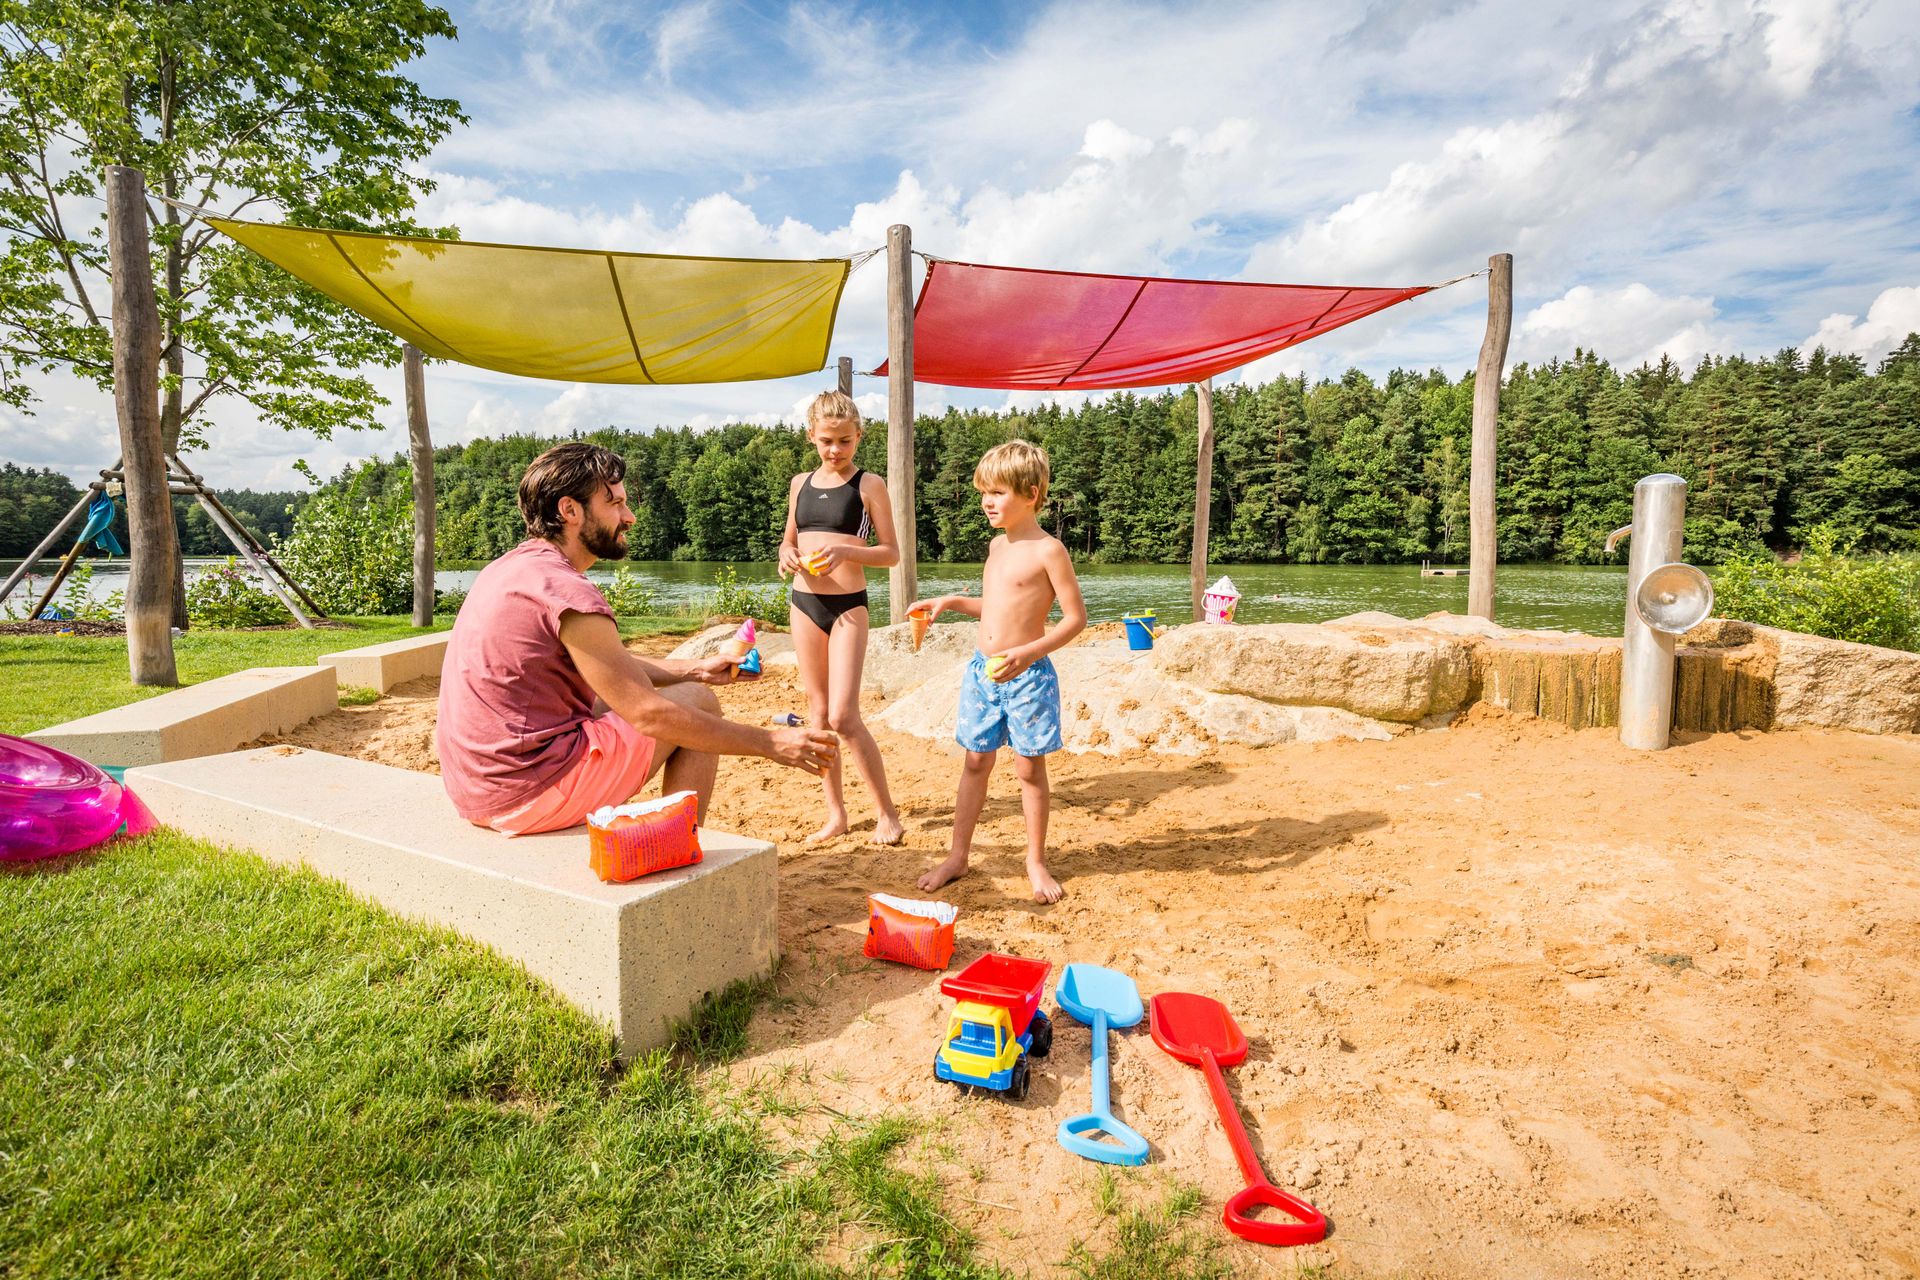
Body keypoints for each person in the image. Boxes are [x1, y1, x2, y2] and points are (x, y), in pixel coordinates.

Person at [437, 442, 838, 835]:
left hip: (474, 788)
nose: (628, 517)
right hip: (527, 794)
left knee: (653, 691)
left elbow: (611, 670)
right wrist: (772, 742)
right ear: (569, 510)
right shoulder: (567, 592)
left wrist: (697, 667)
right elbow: (648, 714)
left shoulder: (512, 569)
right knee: (696, 704)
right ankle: (676, 845)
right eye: (614, 504)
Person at [906, 440, 1086, 902]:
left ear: (1030, 493)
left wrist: (1028, 653)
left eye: (998, 492)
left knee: (1029, 770)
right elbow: (995, 608)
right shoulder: (995, 545)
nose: (987, 501)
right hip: (983, 674)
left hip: (1028, 676)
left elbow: (1074, 619)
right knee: (974, 763)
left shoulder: (1050, 550)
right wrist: (949, 602)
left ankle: (1035, 861)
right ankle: (958, 855)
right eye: (983, 492)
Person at [776, 390, 907, 846]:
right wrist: (787, 555)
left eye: (845, 442)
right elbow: (787, 542)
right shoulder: (799, 483)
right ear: (811, 435)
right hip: (804, 604)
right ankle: (836, 814)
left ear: (859, 437)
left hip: (848, 606)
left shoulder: (868, 485)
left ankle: (886, 813)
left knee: (844, 714)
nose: (835, 450)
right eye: (827, 441)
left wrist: (846, 550)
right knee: (817, 713)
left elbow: (890, 553)